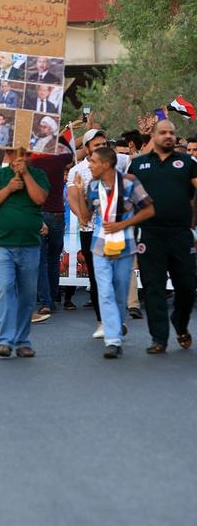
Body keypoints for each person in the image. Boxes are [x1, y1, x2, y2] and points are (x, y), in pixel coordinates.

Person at [73, 146, 154, 358]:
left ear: (106, 164)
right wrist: (80, 192)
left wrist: (123, 225)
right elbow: (84, 218)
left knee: (119, 292)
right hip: (100, 246)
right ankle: (112, 340)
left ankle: (115, 330)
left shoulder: (129, 182)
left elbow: (149, 210)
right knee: (105, 291)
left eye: (92, 161)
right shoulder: (92, 185)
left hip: (125, 245)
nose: (89, 165)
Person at [129, 119, 197, 354]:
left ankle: (180, 322)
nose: (169, 136)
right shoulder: (137, 165)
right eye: (164, 132)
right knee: (153, 288)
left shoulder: (188, 163)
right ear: (154, 136)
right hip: (150, 235)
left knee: (187, 286)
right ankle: (159, 338)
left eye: (172, 132)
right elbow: (126, 198)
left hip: (180, 234)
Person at [0, 150, 49, 357]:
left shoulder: (38, 175)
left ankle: (22, 341)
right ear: (9, 154)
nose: (21, 157)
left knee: (27, 294)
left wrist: (26, 175)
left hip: (30, 244)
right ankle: (6, 340)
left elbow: (39, 199)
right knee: (4, 288)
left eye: (26, 154)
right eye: (17, 153)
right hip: (2, 243)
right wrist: (8, 189)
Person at [67, 129, 131, 338]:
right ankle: (103, 321)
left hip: (117, 231)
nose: (101, 148)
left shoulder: (118, 162)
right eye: (96, 146)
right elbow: (72, 198)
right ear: (87, 149)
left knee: (117, 278)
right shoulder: (77, 170)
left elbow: (140, 158)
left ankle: (117, 318)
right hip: (91, 231)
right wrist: (82, 216)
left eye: (104, 144)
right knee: (97, 279)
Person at [31, 142, 74, 318]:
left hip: (39, 213)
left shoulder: (32, 161)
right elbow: (70, 154)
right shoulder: (60, 159)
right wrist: (62, 135)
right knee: (54, 258)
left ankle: (45, 301)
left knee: (41, 259)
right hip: (57, 214)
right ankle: (53, 297)